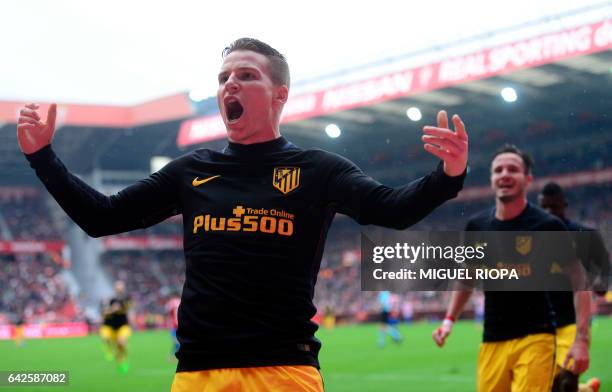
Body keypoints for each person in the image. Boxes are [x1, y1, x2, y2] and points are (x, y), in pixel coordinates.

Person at [17, 37, 468, 391]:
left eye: (246, 75)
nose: (229, 84)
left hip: (284, 371)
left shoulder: (317, 170)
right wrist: (43, 158)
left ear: (280, 94)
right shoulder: (191, 171)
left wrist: (447, 176)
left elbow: (394, 210)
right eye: (223, 77)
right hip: (198, 374)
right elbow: (102, 217)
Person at [432, 145, 591, 392]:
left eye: (513, 169)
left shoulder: (547, 226)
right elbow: (468, 277)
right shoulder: (477, 226)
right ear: (492, 179)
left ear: (527, 179)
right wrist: (449, 320)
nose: (504, 174)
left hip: (536, 338)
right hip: (492, 340)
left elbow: (580, 281)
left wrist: (582, 339)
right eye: (498, 170)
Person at [538, 182, 608, 392]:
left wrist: (596, 282)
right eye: (544, 207)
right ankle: (587, 389)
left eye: (554, 207)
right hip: (539, 325)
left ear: (564, 205)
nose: (549, 212)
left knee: (567, 382)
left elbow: (603, 277)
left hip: (573, 322)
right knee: (550, 385)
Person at [99, 280, 132, 373]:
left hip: (122, 326)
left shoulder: (127, 299)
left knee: (121, 343)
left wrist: (113, 310)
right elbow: (104, 312)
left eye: (121, 288)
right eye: (118, 288)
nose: (119, 290)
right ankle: (110, 350)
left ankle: (122, 360)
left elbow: (126, 308)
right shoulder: (110, 300)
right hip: (110, 326)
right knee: (105, 338)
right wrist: (111, 310)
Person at [165, 292, 181, 361]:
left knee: (177, 342)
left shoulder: (170, 303)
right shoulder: (180, 301)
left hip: (174, 325)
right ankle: (172, 356)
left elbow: (168, 313)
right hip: (179, 324)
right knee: (177, 342)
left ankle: (172, 356)